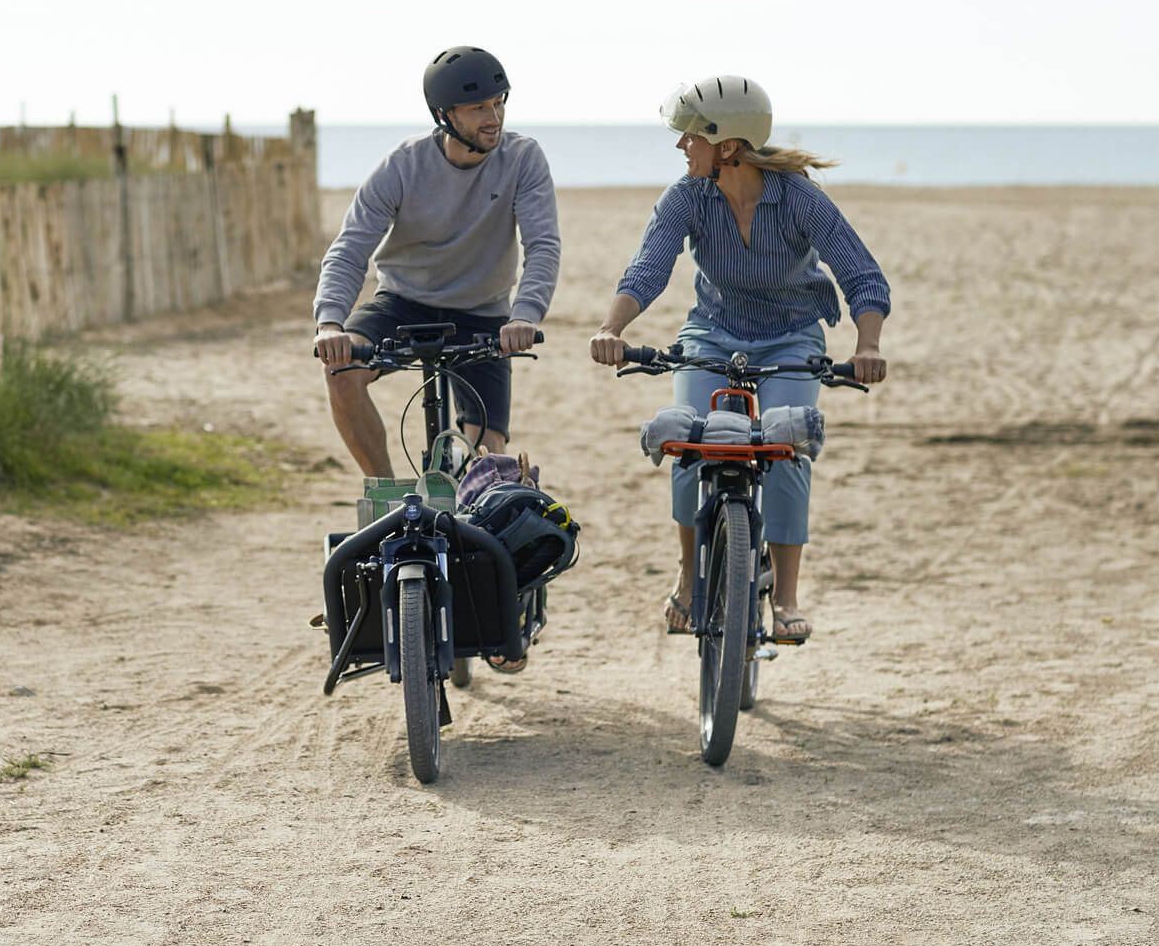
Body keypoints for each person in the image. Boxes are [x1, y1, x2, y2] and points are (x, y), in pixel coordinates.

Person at [589, 75, 890, 644]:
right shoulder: (686, 196)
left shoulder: (797, 197)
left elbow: (861, 274)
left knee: (787, 446)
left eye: (690, 138)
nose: (682, 147)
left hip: (791, 337)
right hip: (711, 332)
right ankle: (688, 573)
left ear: (727, 146)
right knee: (687, 440)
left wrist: (867, 345)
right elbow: (648, 268)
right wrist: (612, 328)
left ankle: (788, 595)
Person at [312, 46, 561, 478]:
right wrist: (330, 323)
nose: (494, 117)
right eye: (479, 107)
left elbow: (542, 245)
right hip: (402, 302)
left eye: (499, 103)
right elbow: (351, 248)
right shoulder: (403, 165)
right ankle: (385, 489)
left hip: (484, 314)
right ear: (446, 115)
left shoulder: (523, 158)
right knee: (342, 373)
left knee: (490, 452)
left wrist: (525, 315)